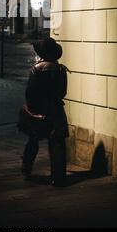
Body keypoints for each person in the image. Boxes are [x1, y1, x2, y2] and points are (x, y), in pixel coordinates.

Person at [21, 38, 69, 187]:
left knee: (33, 140)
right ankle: (58, 177)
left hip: (39, 110)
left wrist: (32, 107)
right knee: (57, 143)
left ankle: (26, 169)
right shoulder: (61, 69)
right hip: (56, 110)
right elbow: (63, 92)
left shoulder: (37, 69)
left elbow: (30, 92)